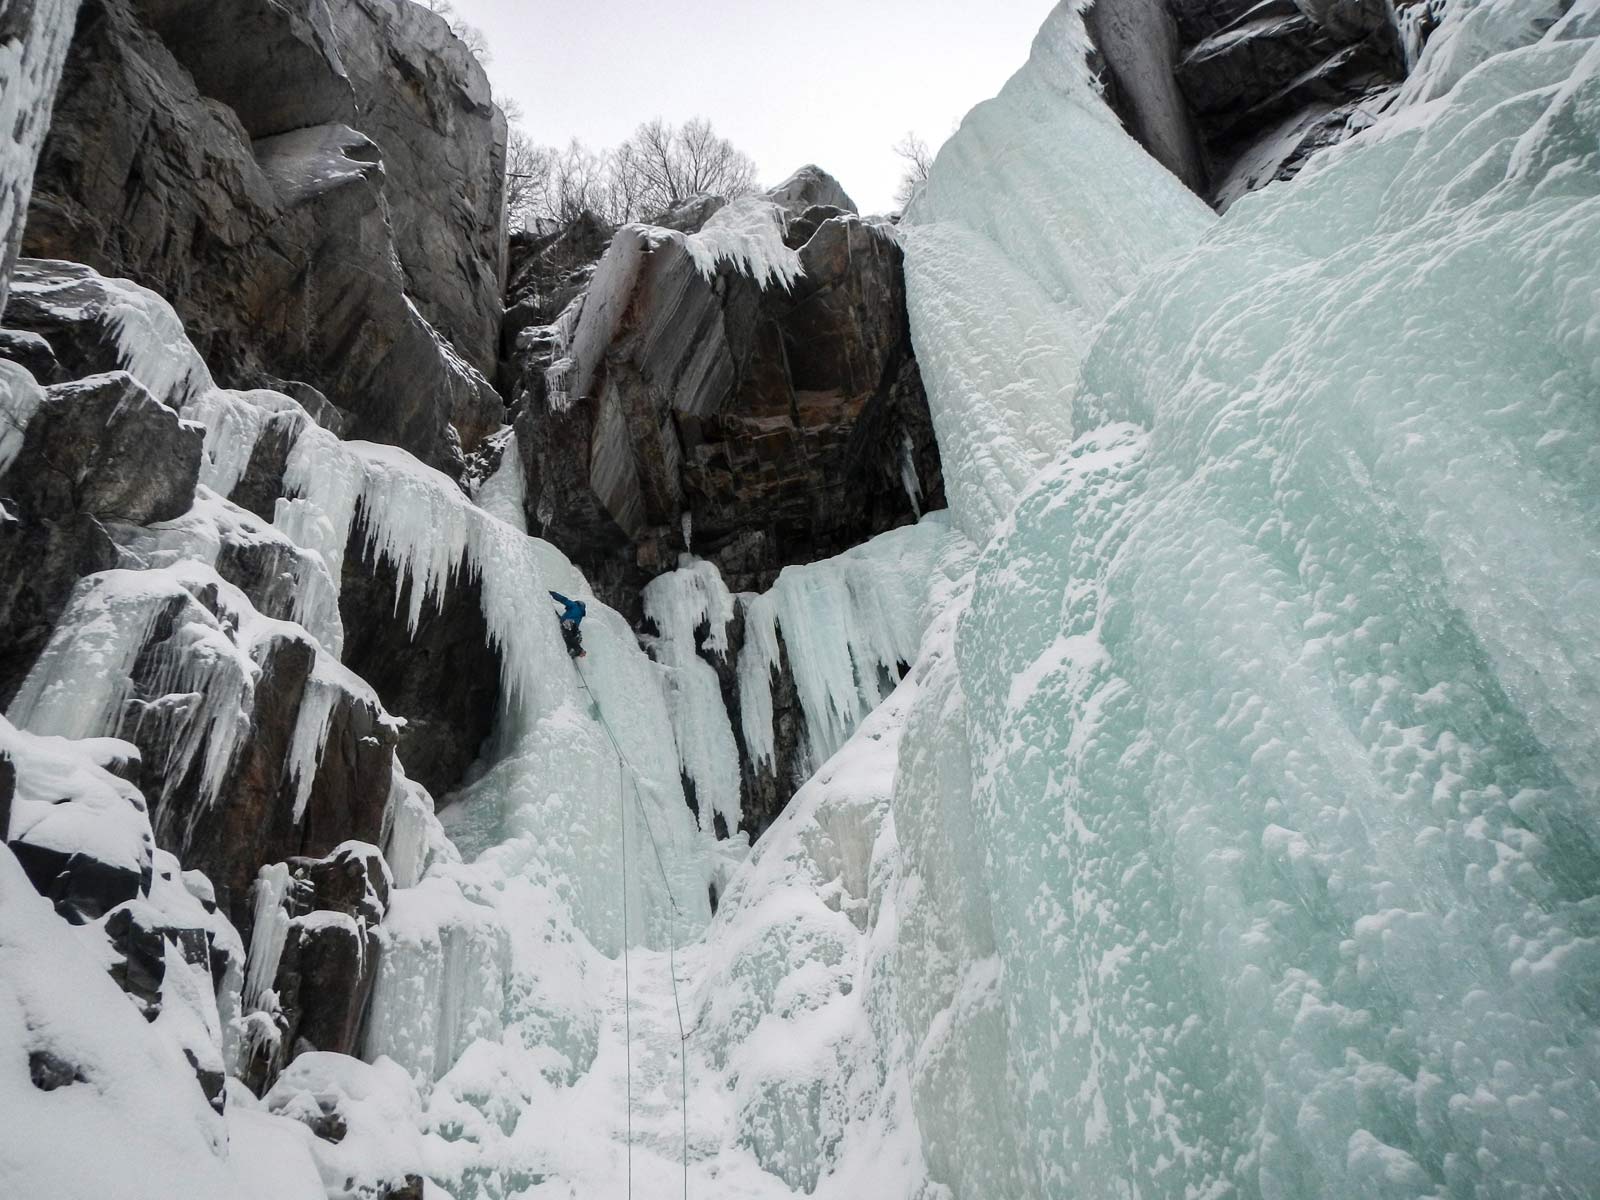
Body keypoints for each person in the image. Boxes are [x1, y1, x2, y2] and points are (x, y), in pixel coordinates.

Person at [549, 590, 587, 658]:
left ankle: (579, 650)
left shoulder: (574, 605)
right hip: (574, 627)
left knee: (567, 635)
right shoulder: (580, 615)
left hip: (569, 622)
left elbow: (563, 599)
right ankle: (571, 649)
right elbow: (574, 626)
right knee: (570, 636)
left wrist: (552, 593)